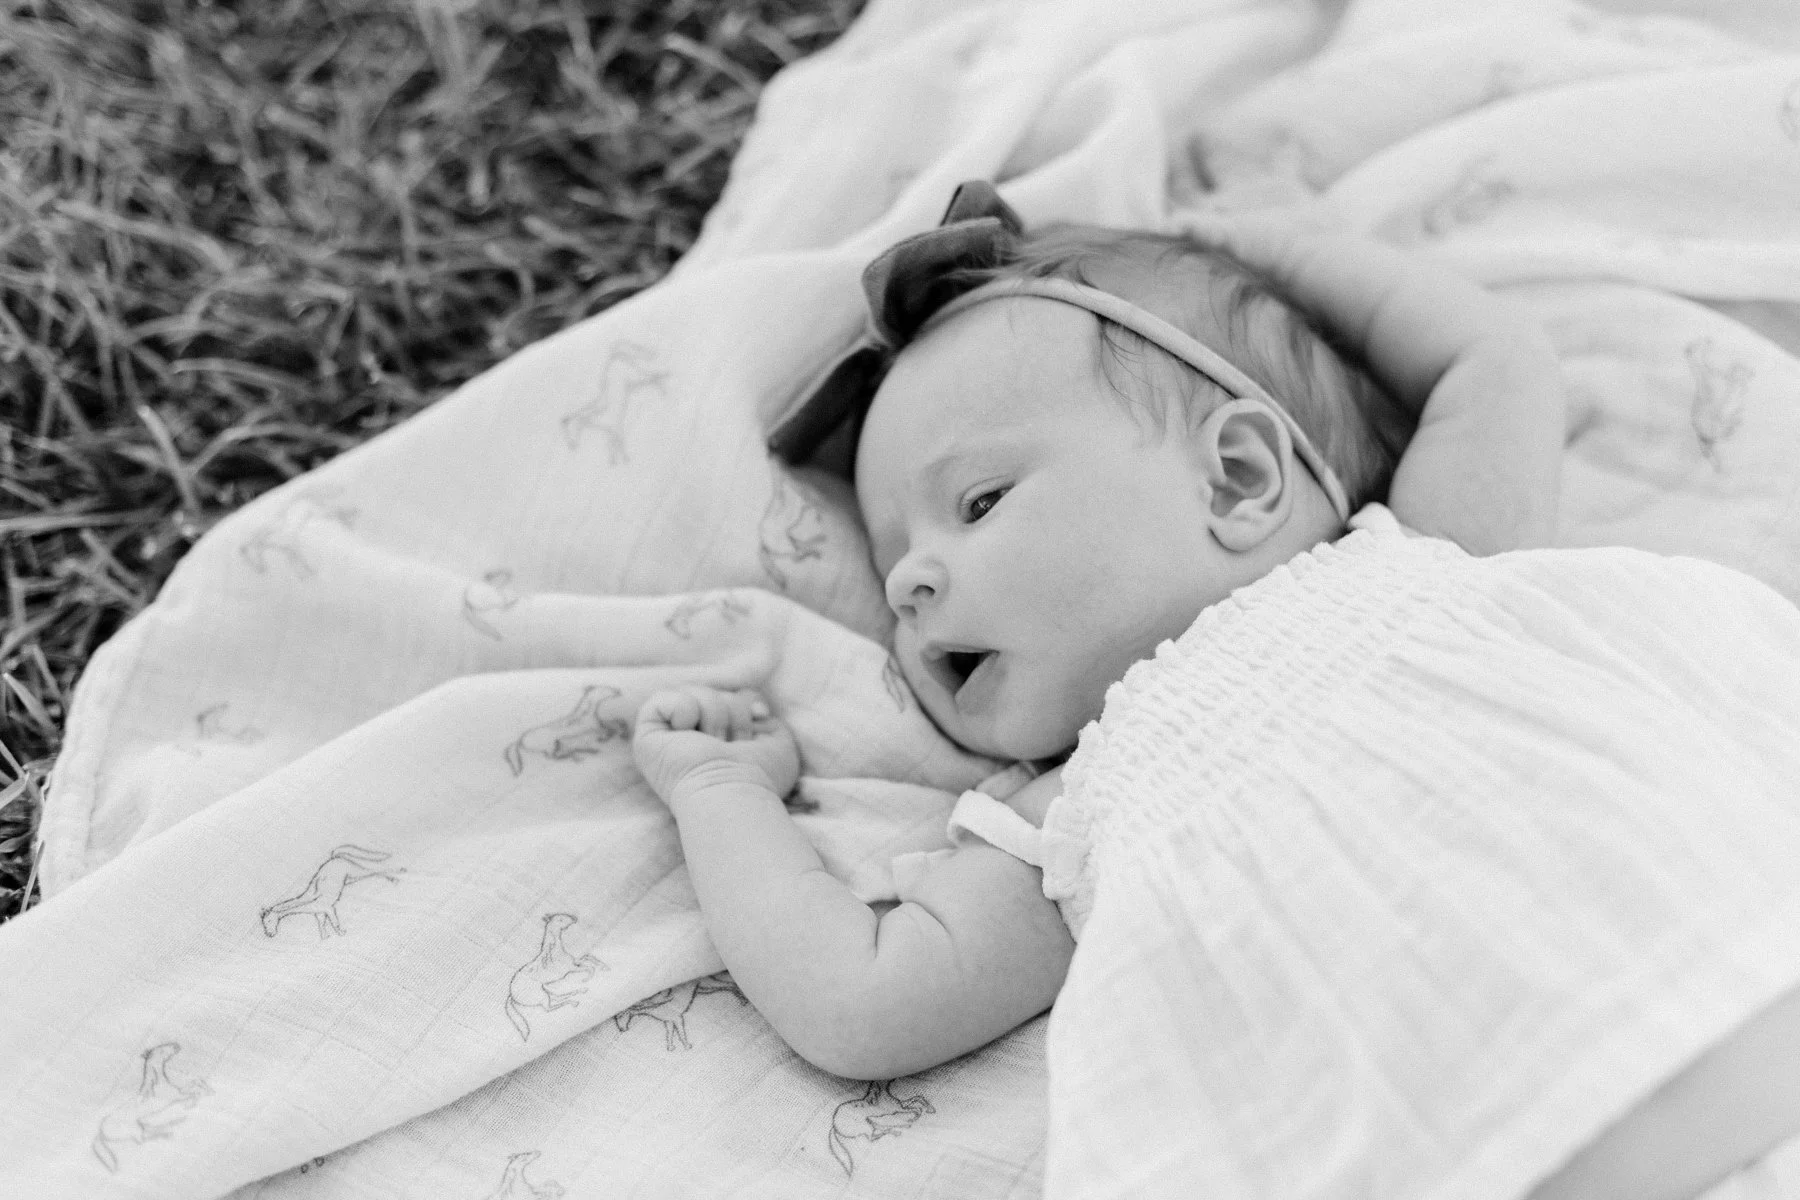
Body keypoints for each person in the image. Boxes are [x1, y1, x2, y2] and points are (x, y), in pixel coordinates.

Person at [631, 185, 1800, 1199]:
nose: (914, 579)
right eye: (894, 573)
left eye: (977, 503)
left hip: (1737, 997)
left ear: (1240, 476)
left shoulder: (1421, 557)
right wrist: (722, 792)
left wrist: (1255, 248)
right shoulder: (1075, 816)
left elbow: (1488, 364)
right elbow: (861, 999)